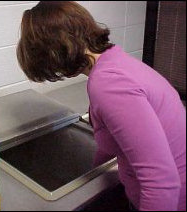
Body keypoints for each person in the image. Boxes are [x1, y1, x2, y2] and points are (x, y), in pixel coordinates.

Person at [16, 1, 186, 211]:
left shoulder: (109, 86)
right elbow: (112, 138)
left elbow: (161, 183)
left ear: (53, 53)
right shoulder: (114, 62)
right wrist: (92, 169)